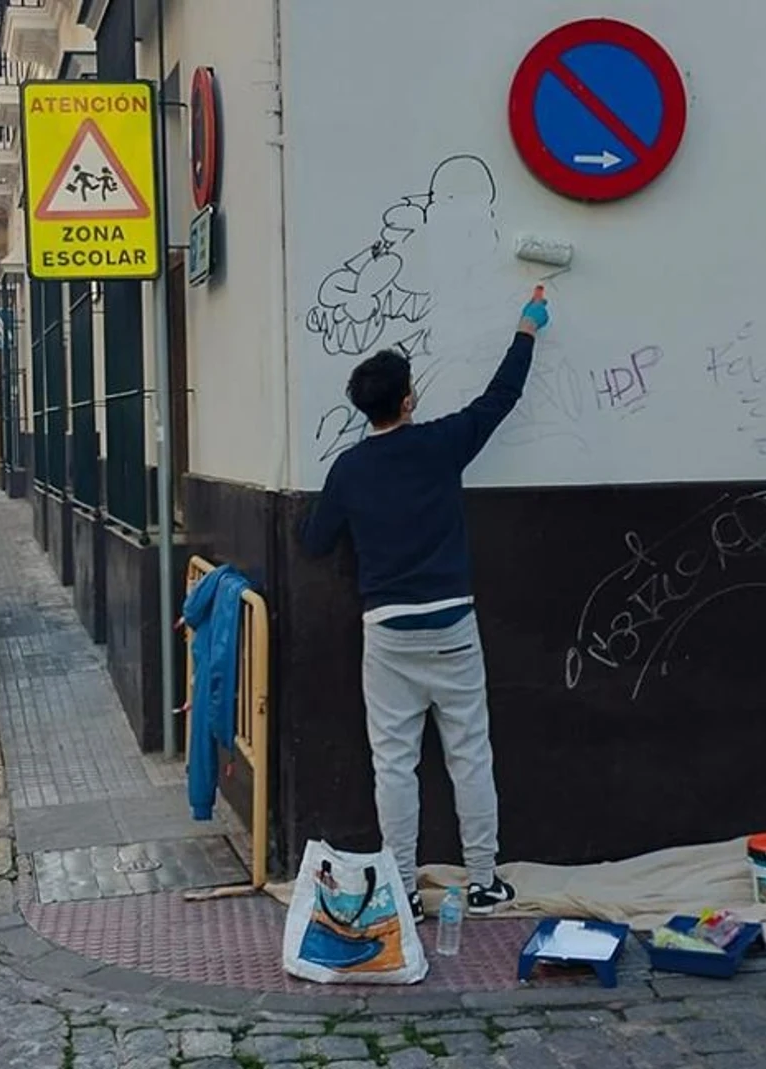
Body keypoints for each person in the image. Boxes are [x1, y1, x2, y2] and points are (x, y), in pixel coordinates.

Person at [298, 289, 549, 923]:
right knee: (470, 752)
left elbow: (316, 540)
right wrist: (526, 329)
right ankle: (485, 880)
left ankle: (404, 887)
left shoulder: (349, 470)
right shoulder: (443, 443)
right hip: (453, 622)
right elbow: (500, 398)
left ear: (364, 408)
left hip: (387, 630)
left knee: (394, 762)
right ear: (408, 400)